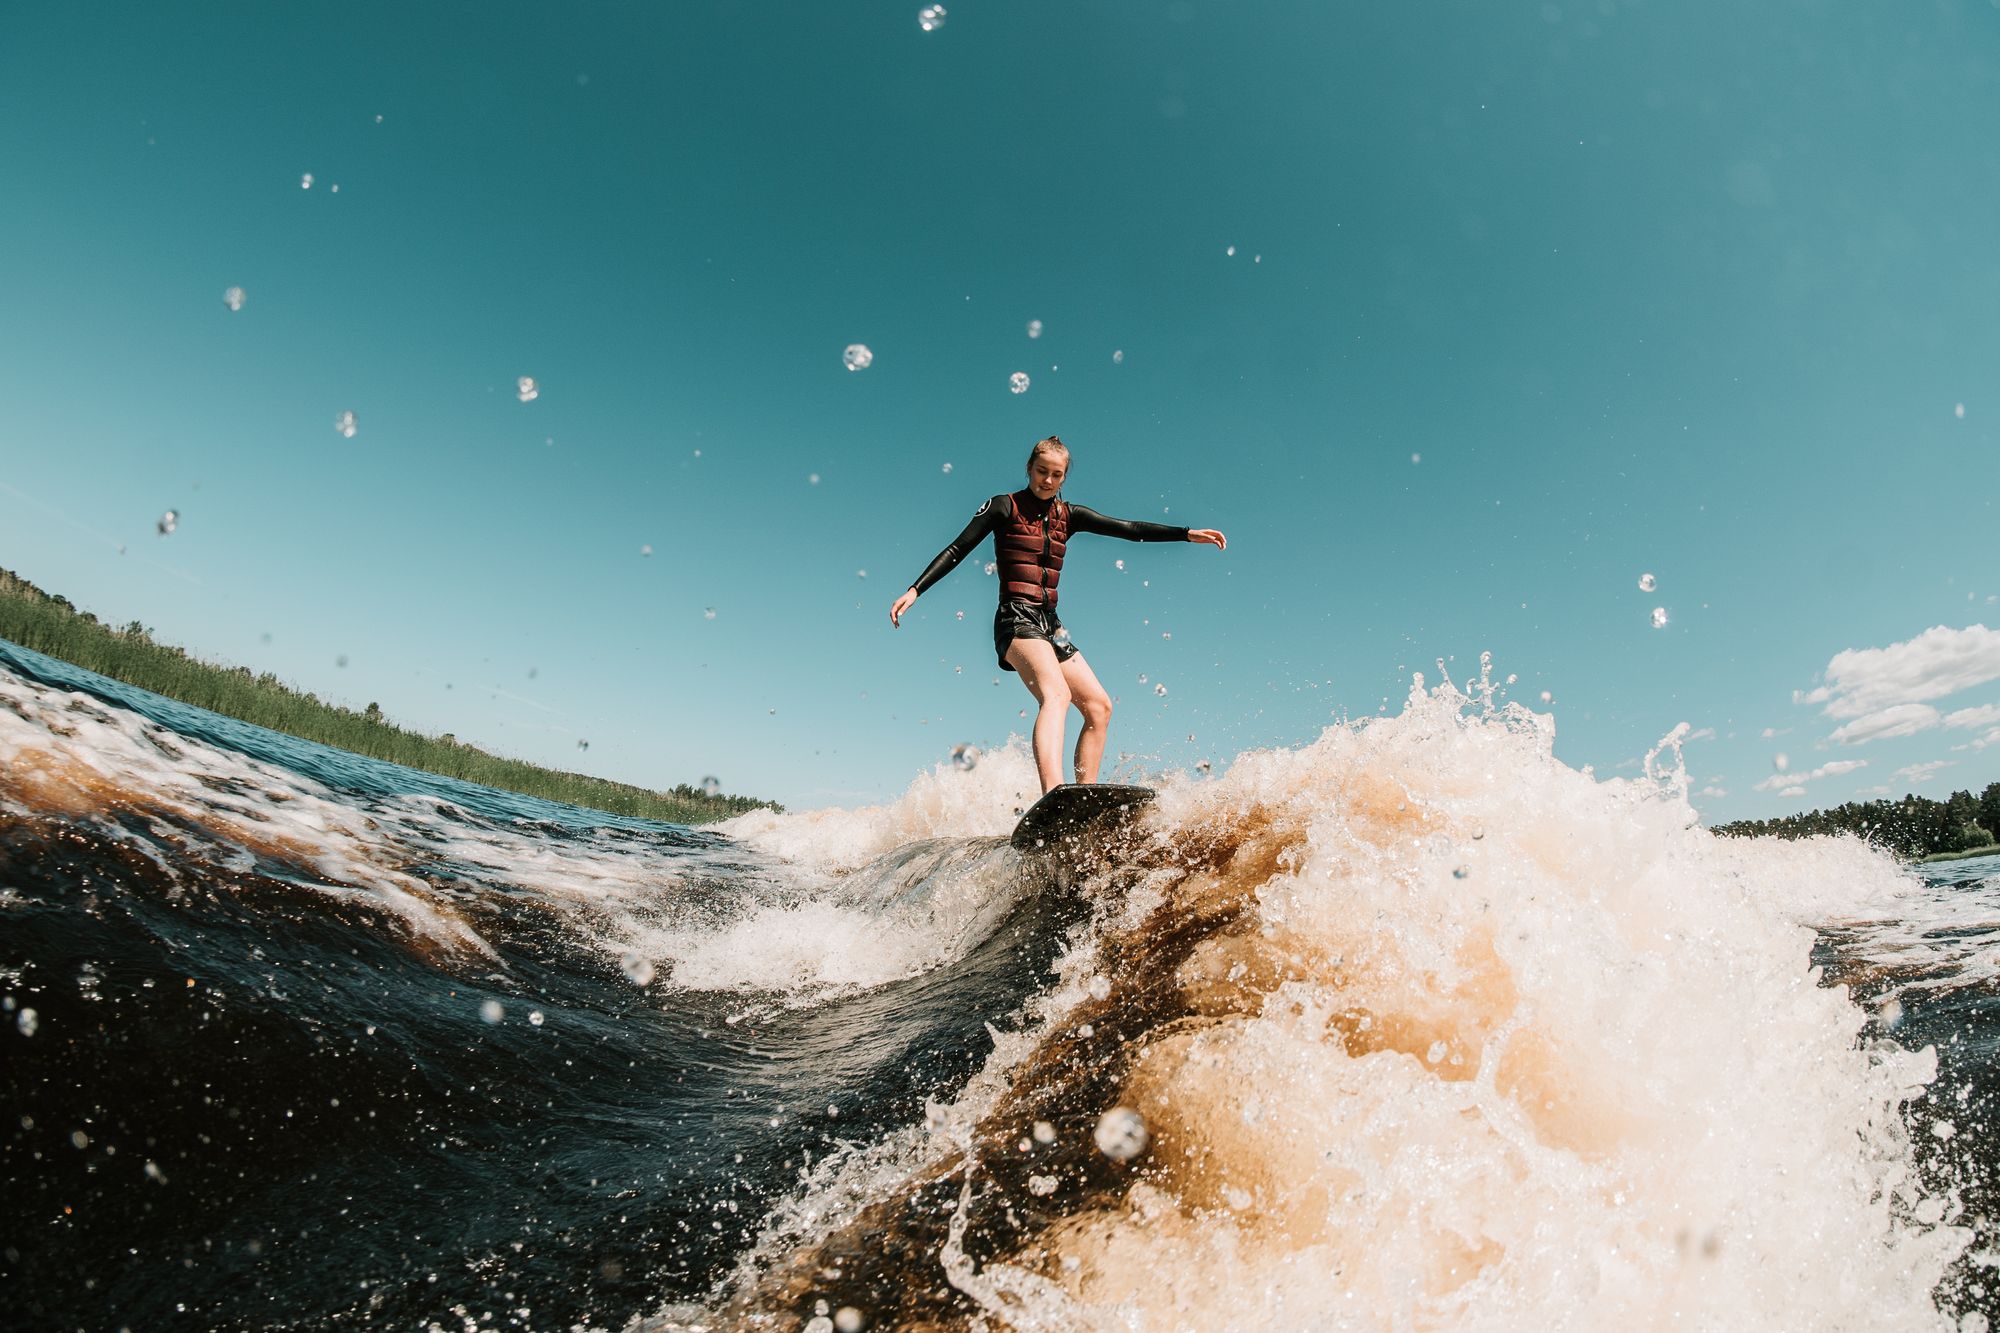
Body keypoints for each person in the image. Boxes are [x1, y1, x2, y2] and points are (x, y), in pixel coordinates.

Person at [889, 436, 1227, 793]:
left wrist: (1186, 534)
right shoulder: (1004, 506)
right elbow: (958, 548)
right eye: (1041, 471)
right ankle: (1054, 792)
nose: (1047, 480)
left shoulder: (1069, 515)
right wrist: (915, 590)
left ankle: (1084, 799)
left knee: (1099, 707)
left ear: (1064, 477)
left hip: (1051, 624)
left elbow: (1130, 529)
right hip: (1015, 618)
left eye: (1056, 474)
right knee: (1057, 695)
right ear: (1029, 468)